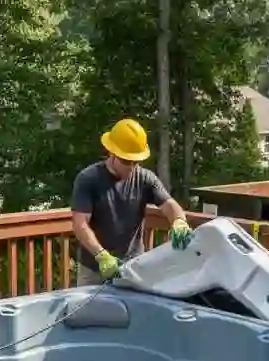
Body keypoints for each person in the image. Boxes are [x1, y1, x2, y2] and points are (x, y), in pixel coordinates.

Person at [70, 118, 193, 286]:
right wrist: (101, 256)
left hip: (134, 267)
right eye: (126, 161)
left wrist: (179, 222)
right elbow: (80, 224)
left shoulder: (145, 178)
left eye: (136, 161)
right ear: (111, 153)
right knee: (90, 312)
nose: (131, 167)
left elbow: (170, 205)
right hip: (95, 269)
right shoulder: (88, 179)